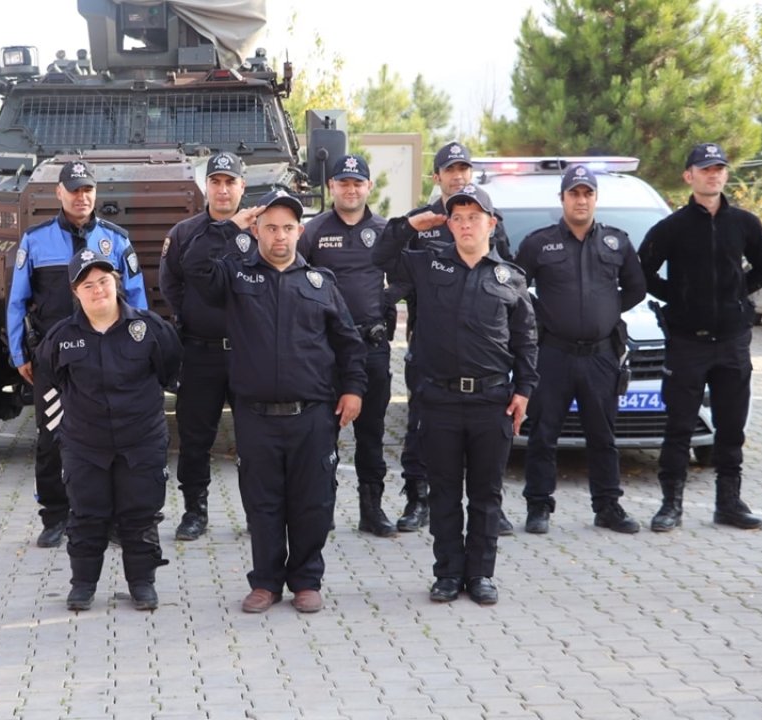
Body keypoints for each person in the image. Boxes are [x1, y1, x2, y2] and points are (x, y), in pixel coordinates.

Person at [183, 189, 367, 614]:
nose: (279, 236)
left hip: (313, 415)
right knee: (262, 503)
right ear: (257, 231)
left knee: (312, 501)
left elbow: (349, 344)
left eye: (287, 228)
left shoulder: (320, 284)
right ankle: (265, 582)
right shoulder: (236, 276)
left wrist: (353, 389)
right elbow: (192, 265)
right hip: (256, 415)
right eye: (270, 227)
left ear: (299, 232)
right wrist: (229, 227)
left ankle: (306, 580)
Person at [388, 184, 537, 605]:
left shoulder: (510, 278)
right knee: (446, 492)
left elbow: (526, 341)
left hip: (492, 402)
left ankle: (481, 575)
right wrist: (414, 224)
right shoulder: (428, 266)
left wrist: (524, 391)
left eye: (475, 217)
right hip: (440, 401)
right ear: (448, 224)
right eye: (458, 217)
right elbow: (381, 255)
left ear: (492, 223)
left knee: (487, 494)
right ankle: (448, 574)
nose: (466, 224)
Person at [373, 142, 516, 536]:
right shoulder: (425, 222)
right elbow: (398, 275)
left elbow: (506, 277)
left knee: (484, 439)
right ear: (436, 177)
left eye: (463, 169)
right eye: (450, 170)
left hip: (480, 353)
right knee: (422, 427)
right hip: (430, 346)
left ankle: (490, 508)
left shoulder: (488, 220)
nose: (457, 176)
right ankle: (417, 500)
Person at [7, 159, 148, 548]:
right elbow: (17, 301)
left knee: (112, 441)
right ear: (59, 193)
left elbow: (136, 299)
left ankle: (116, 519)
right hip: (54, 361)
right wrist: (19, 354)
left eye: (88, 189)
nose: (81, 196)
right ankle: (55, 515)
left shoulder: (116, 240)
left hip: (108, 359)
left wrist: (138, 350)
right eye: (74, 190)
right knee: (51, 437)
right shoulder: (35, 241)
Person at [638, 143, 762, 533]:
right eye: (704, 169)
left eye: (719, 168)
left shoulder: (745, 224)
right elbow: (643, 270)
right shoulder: (672, 227)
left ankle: (729, 503)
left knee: (731, 427)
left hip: (733, 340)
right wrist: (678, 297)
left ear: (725, 175)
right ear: (689, 176)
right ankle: (671, 505)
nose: (712, 174)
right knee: (679, 426)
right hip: (687, 342)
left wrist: (736, 296)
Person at [39, 250, 182, 611]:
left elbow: (169, 370)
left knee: (141, 515)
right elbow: (51, 379)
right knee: (87, 515)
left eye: (104, 281)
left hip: (141, 442)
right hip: (85, 444)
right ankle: (83, 584)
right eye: (88, 285)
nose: (98, 289)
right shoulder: (61, 337)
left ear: (116, 281)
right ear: (76, 292)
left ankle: (142, 583)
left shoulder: (149, 329)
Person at [515, 165, 646, 534]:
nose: (581, 199)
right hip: (553, 355)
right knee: (543, 434)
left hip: (601, 357)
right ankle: (538, 506)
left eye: (587, 193)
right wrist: (541, 316)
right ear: (562, 198)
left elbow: (636, 287)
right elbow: (515, 288)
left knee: (603, 435)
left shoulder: (617, 242)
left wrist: (606, 310)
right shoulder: (538, 243)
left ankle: (607, 507)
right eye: (574, 193)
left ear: (595, 199)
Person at [298, 154, 395, 537]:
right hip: (327, 349)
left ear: (368, 187)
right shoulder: (314, 231)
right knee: (324, 434)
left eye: (358, 182)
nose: (351, 189)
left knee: (371, 432)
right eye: (343, 182)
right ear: (331, 187)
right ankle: (323, 510)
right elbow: (296, 280)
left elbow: (406, 278)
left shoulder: (386, 231)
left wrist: (386, 305)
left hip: (371, 346)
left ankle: (372, 511)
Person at [159, 151, 253, 541]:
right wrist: (195, 313)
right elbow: (170, 284)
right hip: (200, 351)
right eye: (216, 181)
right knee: (196, 438)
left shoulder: (259, 229)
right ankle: (194, 512)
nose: (223, 188)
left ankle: (257, 512)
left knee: (255, 437)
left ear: (241, 187)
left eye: (230, 181)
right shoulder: (185, 232)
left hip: (250, 352)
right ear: (206, 186)